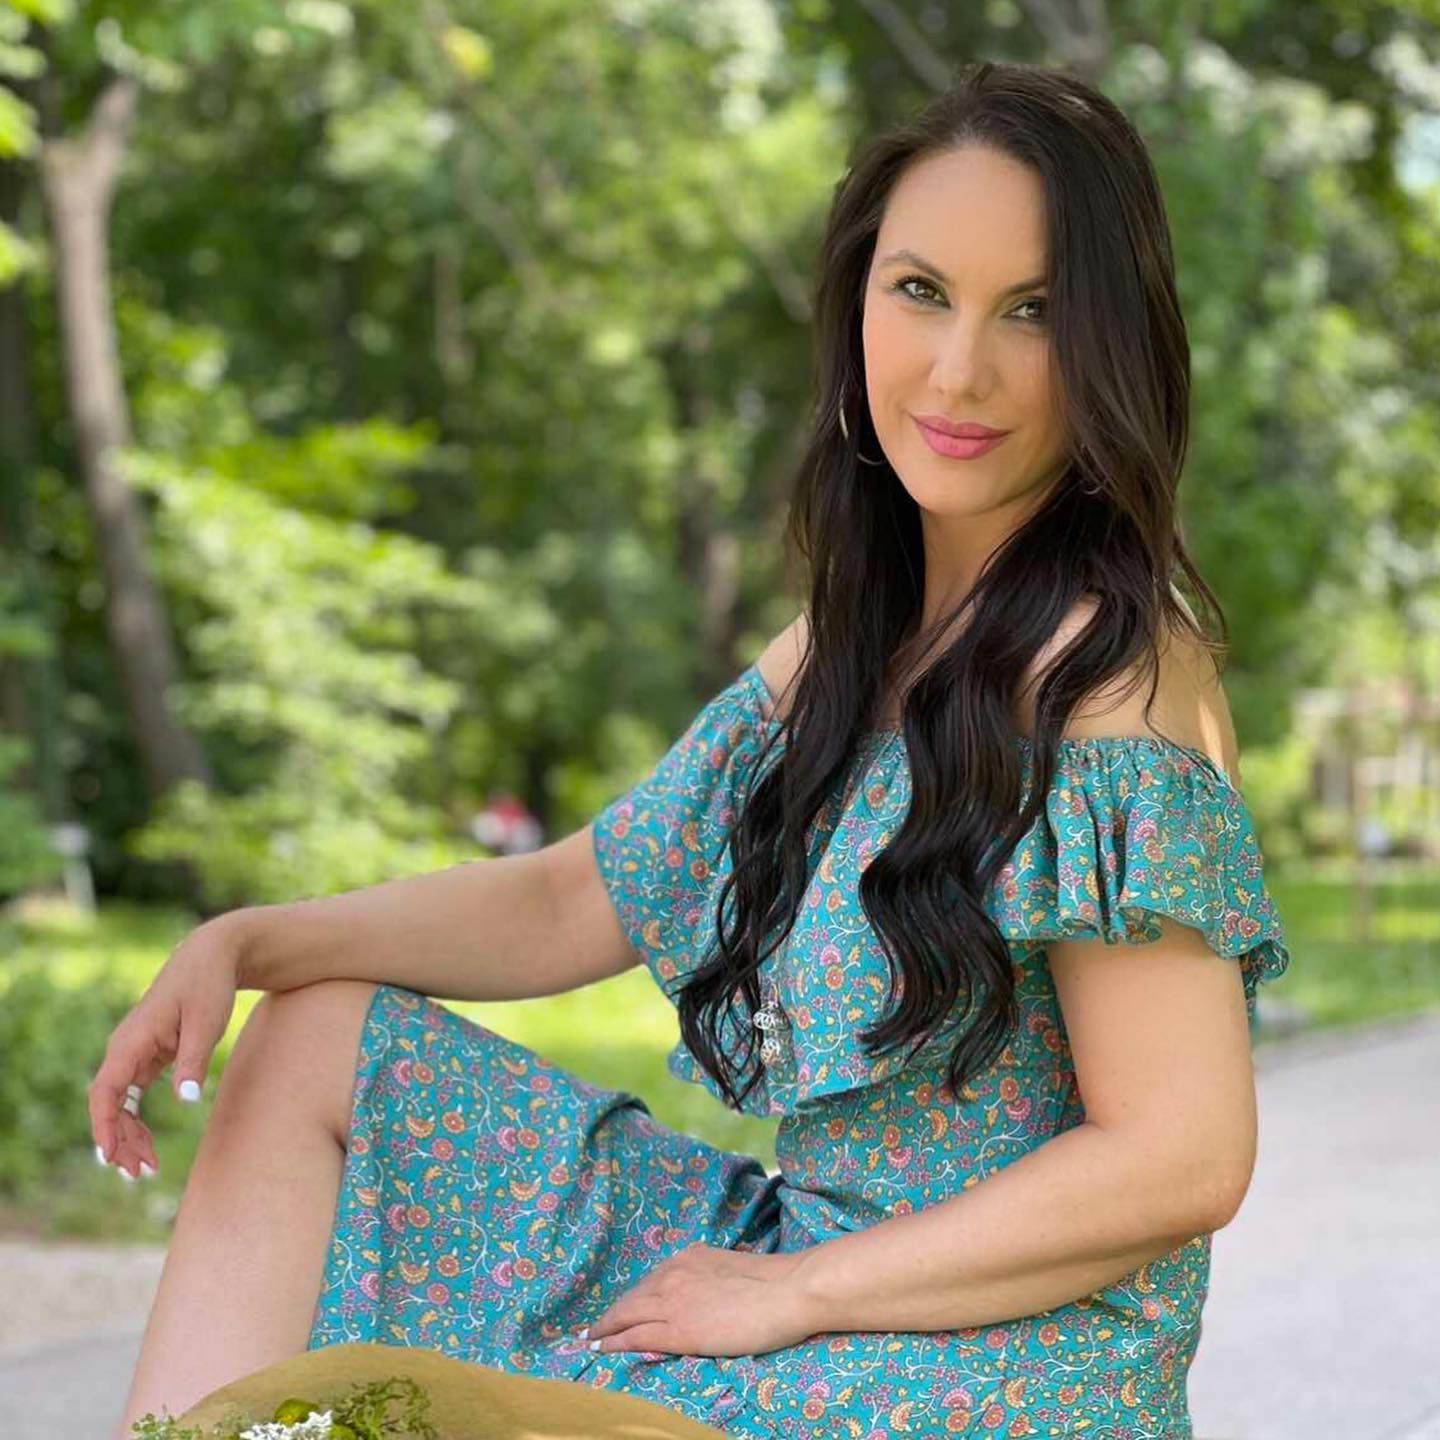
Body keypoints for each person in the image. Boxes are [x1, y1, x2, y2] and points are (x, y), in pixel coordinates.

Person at [93, 59, 1291, 1440]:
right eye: (921, 291)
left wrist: (802, 1292)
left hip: (999, 1358)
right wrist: (250, 943)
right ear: (855, 303)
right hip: (808, 1259)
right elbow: (575, 898)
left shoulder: (1109, 675)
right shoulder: (850, 644)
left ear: (1110, 345)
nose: (961, 368)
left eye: (1033, 311)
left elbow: (1181, 1158)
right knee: (312, 1041)